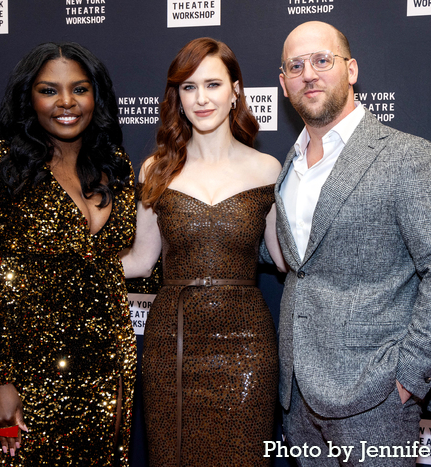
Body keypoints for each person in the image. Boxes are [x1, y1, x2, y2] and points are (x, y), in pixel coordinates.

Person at [272, 21, 431, 466]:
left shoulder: (407, 156)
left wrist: (408, 378)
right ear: (284, 84)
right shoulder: (289, 164)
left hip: (376, 397)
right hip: (299, 396)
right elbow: (299, 261)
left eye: (322, 60)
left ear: (351, 69)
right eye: (296, 65)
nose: (310, 73)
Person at [0, 42, 136, 466]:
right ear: (28, 98)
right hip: (29, 376)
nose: (67, 102)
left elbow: (122, 264)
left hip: (108, 372)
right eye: (49, 90)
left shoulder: (114, 166)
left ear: (97, 96)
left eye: (80, 88)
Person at [120, 37, 287, 467]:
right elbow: (141, 261)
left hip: (247, 346)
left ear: (235, 91)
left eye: (212, 84)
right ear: (176, 98)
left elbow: (286, 260)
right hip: (171, 344)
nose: (201, 98)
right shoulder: (156, 169)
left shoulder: (268, 169)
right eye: (188, 87)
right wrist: (73, 264)